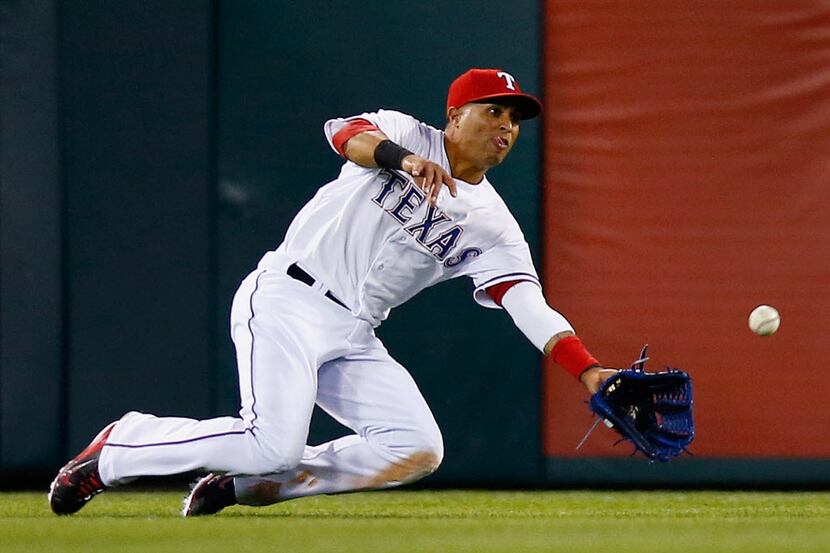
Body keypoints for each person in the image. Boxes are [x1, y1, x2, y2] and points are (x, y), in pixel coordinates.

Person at [48, 68, 614, 517]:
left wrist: (587, 371)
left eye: (515, 118)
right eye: (494, 110)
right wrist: (403, 159)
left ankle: (248, 485)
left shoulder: (494, 225)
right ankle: (122, 447)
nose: (506, 126)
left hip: (354, 333)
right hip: (288, 298)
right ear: (454, 115)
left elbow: (528, 303)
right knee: (271, 439)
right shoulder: (405, 132)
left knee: (415, 446)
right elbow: (344, 134)